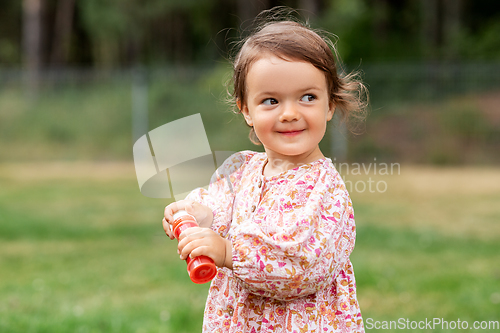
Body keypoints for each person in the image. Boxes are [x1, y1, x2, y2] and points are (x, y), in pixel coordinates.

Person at [162, 13, 367, 333]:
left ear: (329, 105)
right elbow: (220, 208)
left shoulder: (323, 191)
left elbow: (299, 263)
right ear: (246, 110)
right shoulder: (245, 169)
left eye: (308, 97)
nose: (289, 113)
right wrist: (195, 216)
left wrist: (228, 252)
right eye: (271, 100)